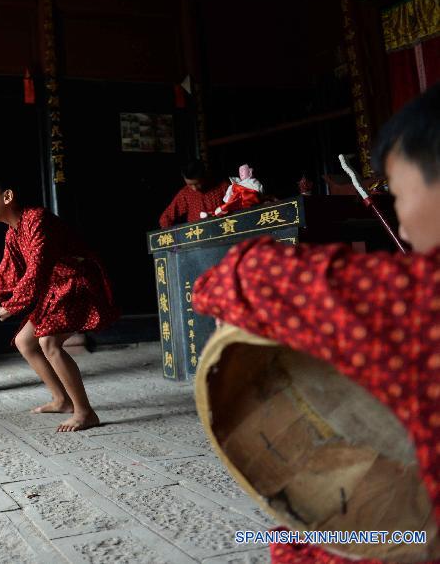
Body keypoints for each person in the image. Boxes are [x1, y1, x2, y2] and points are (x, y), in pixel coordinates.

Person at [192, 84, 440, 563]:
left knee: (300, 546)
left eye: (402, 194)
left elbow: (249, 276)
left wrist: (213, 292)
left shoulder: (420, 298)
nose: (402, 225)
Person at [0, 177, 118, 431]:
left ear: (7, 196)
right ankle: (62, 400)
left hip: (77, 281)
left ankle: (85, 412)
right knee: (24, 341)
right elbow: (6, 273)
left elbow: (37, 270)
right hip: (56, 288)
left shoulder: (37, 219)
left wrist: (10, 307)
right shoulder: (13, 234)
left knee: (48, 342)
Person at [158, 159, 230, 228]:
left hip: (223, 231)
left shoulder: (223, 186)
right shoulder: (185, 194)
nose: (194, 188)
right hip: (198, 235)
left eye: (198, 183)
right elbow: (165, 218)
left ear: (205, 175)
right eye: (189, 185)